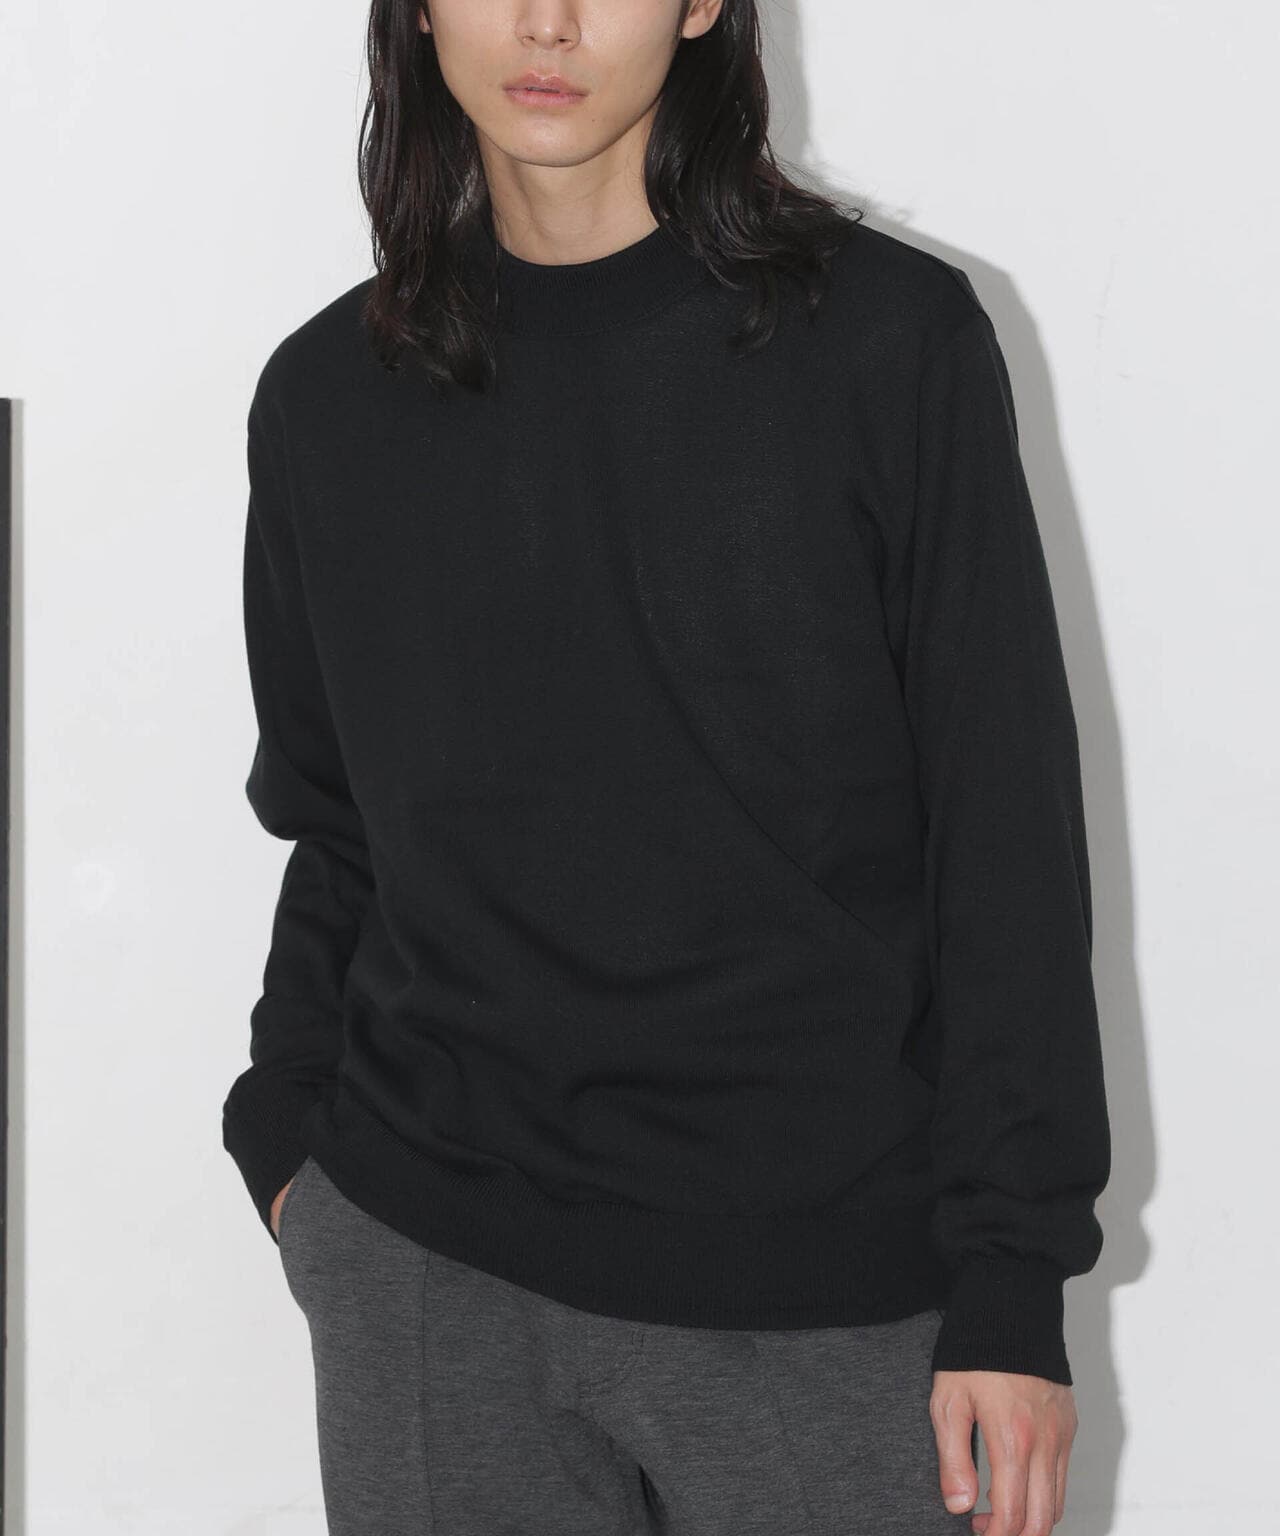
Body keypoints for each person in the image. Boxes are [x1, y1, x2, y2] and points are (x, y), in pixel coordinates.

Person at [220, 2, 1112, 1532]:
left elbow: (1003, 833)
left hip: (819, 1291)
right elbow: (339, 824)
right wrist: (290, 1142)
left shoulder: (889, 343)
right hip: (429, 1276)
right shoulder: (328, 396)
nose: (548, 21)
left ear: (704, 3)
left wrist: (1012, 1279)